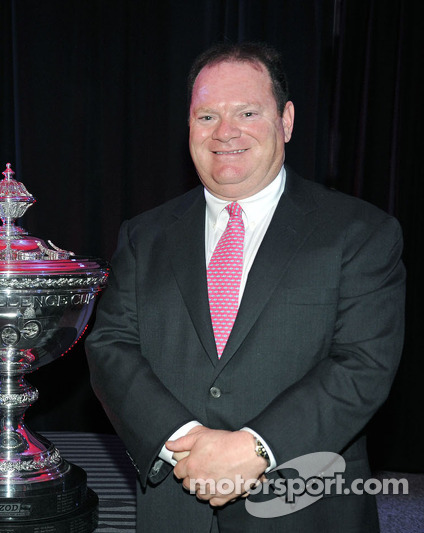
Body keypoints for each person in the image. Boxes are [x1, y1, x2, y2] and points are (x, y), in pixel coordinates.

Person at [85, 41, 405, 532]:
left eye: (248, 112)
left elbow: (363, 364)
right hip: (176, 503)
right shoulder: (144, 235)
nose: (225, 132)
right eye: (207, 116)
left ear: (287, 121)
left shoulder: (360, 232)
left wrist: (254, 447)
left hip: (304, 508)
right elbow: (111, 346)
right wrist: (185, 441)